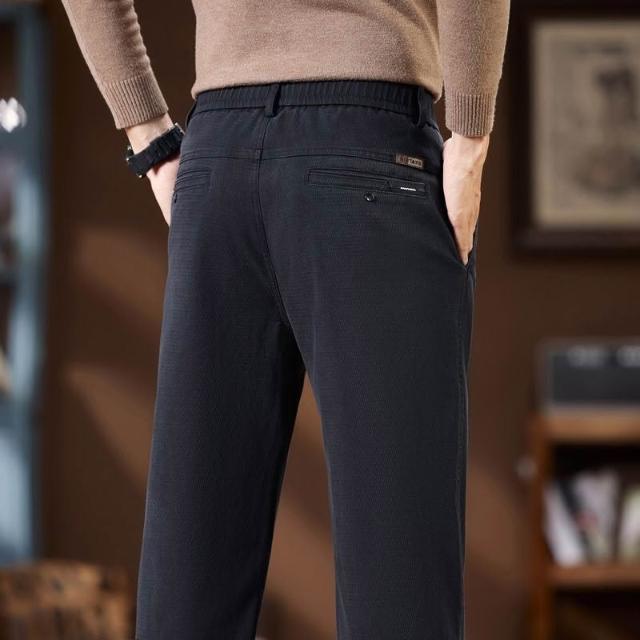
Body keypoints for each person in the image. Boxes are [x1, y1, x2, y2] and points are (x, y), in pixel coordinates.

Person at [59, 1, 510, 638]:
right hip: (372, 144)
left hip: (219, 156)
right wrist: (470, 136)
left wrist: (149, 137)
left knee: (191, 582)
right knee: (399, 584)